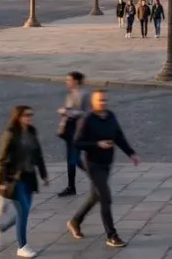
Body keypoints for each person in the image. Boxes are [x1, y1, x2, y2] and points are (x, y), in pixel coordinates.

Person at [69, 90, 139, 249]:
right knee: (105, 198)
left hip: (107, 163)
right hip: (93, 164)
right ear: (93, 102)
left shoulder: (110, 116)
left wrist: (131, 153)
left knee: (95, 196)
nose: (103, 103)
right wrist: (97, 144)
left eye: (104, 100)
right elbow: (76, 143)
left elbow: (119, 136)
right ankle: (112, 235)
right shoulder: (87, 119)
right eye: (100, 100)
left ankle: (75, 221)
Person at [0, 105, 49, 258]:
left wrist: (44, 175)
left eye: (31, 115)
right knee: (23, 210)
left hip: (29, 176)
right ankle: (22, 246)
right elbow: (0, 159)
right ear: (18, 117)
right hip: (14, 178)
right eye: (26, 115)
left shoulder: (32, 131)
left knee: (25, 211)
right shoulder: (10, 134)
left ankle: (0, 228)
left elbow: (38, 154)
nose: (29, 117)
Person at [56, 72, 91, 197]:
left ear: (76, 81)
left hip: (78, 128)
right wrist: (64, 113)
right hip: (69, 128)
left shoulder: (84, 94)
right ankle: (71, 186)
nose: (67, 82)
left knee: (74, 158)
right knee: (71, 158)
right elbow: (69, 111)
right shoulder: (70, 94)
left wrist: (68, 112)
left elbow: (87, 113)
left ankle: (95, 178)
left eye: (69, 80)